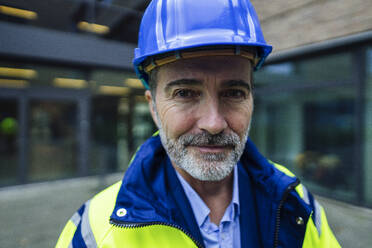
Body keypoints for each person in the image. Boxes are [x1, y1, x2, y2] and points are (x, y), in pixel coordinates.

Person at [56, 0, 340, 247]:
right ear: (152, 106)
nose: (214, 124)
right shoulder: (93, 234)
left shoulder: (297, 204)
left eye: (233, 93)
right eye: (185, 93)